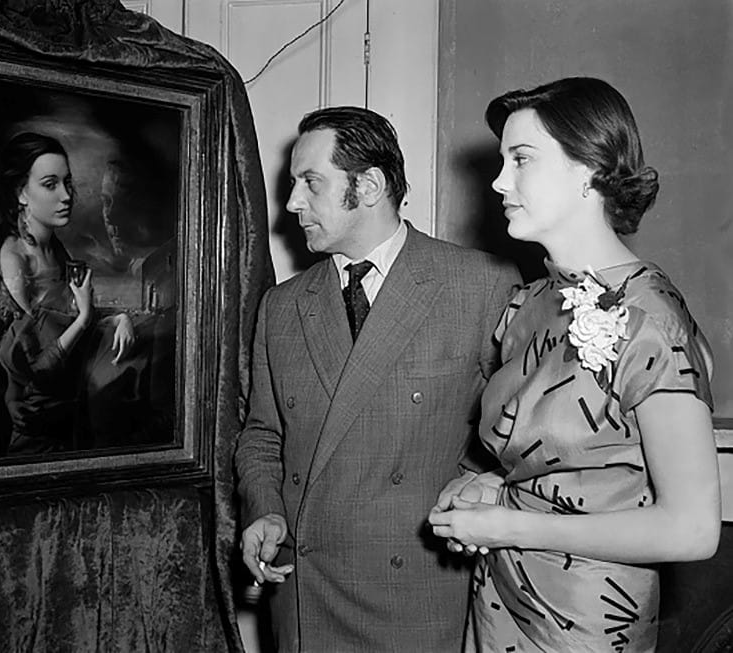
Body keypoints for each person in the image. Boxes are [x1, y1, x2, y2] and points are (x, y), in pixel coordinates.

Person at [428, 77, 721, 652]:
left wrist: (508, 525)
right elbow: (555, 466)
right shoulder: (529, 303)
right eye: (501, 160)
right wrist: (485, 489)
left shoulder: (649, 318)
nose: (498, 181)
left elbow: (692, 530)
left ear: (588, 170)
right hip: (500, 598)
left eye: (522, 160)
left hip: (591, 616)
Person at [234, 106, 521, 652]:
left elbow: (513, 442)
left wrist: (469, 495)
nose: (292, 204)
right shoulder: (282, 306)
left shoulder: (481, 286)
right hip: (306, 593)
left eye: (310, 183)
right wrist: (264, 508)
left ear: (369, 185)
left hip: (420, 592)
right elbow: (262, 435)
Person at [0, 132, 139, 455]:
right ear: (20, 192)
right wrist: (84, 319)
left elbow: (64, 313)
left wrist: (119, 317)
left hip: (67, 413)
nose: (66, 195)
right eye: (50, 184)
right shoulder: (14, 258)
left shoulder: (54, 248)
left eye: (67, 182)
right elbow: (35, 371)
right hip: (31, 430)